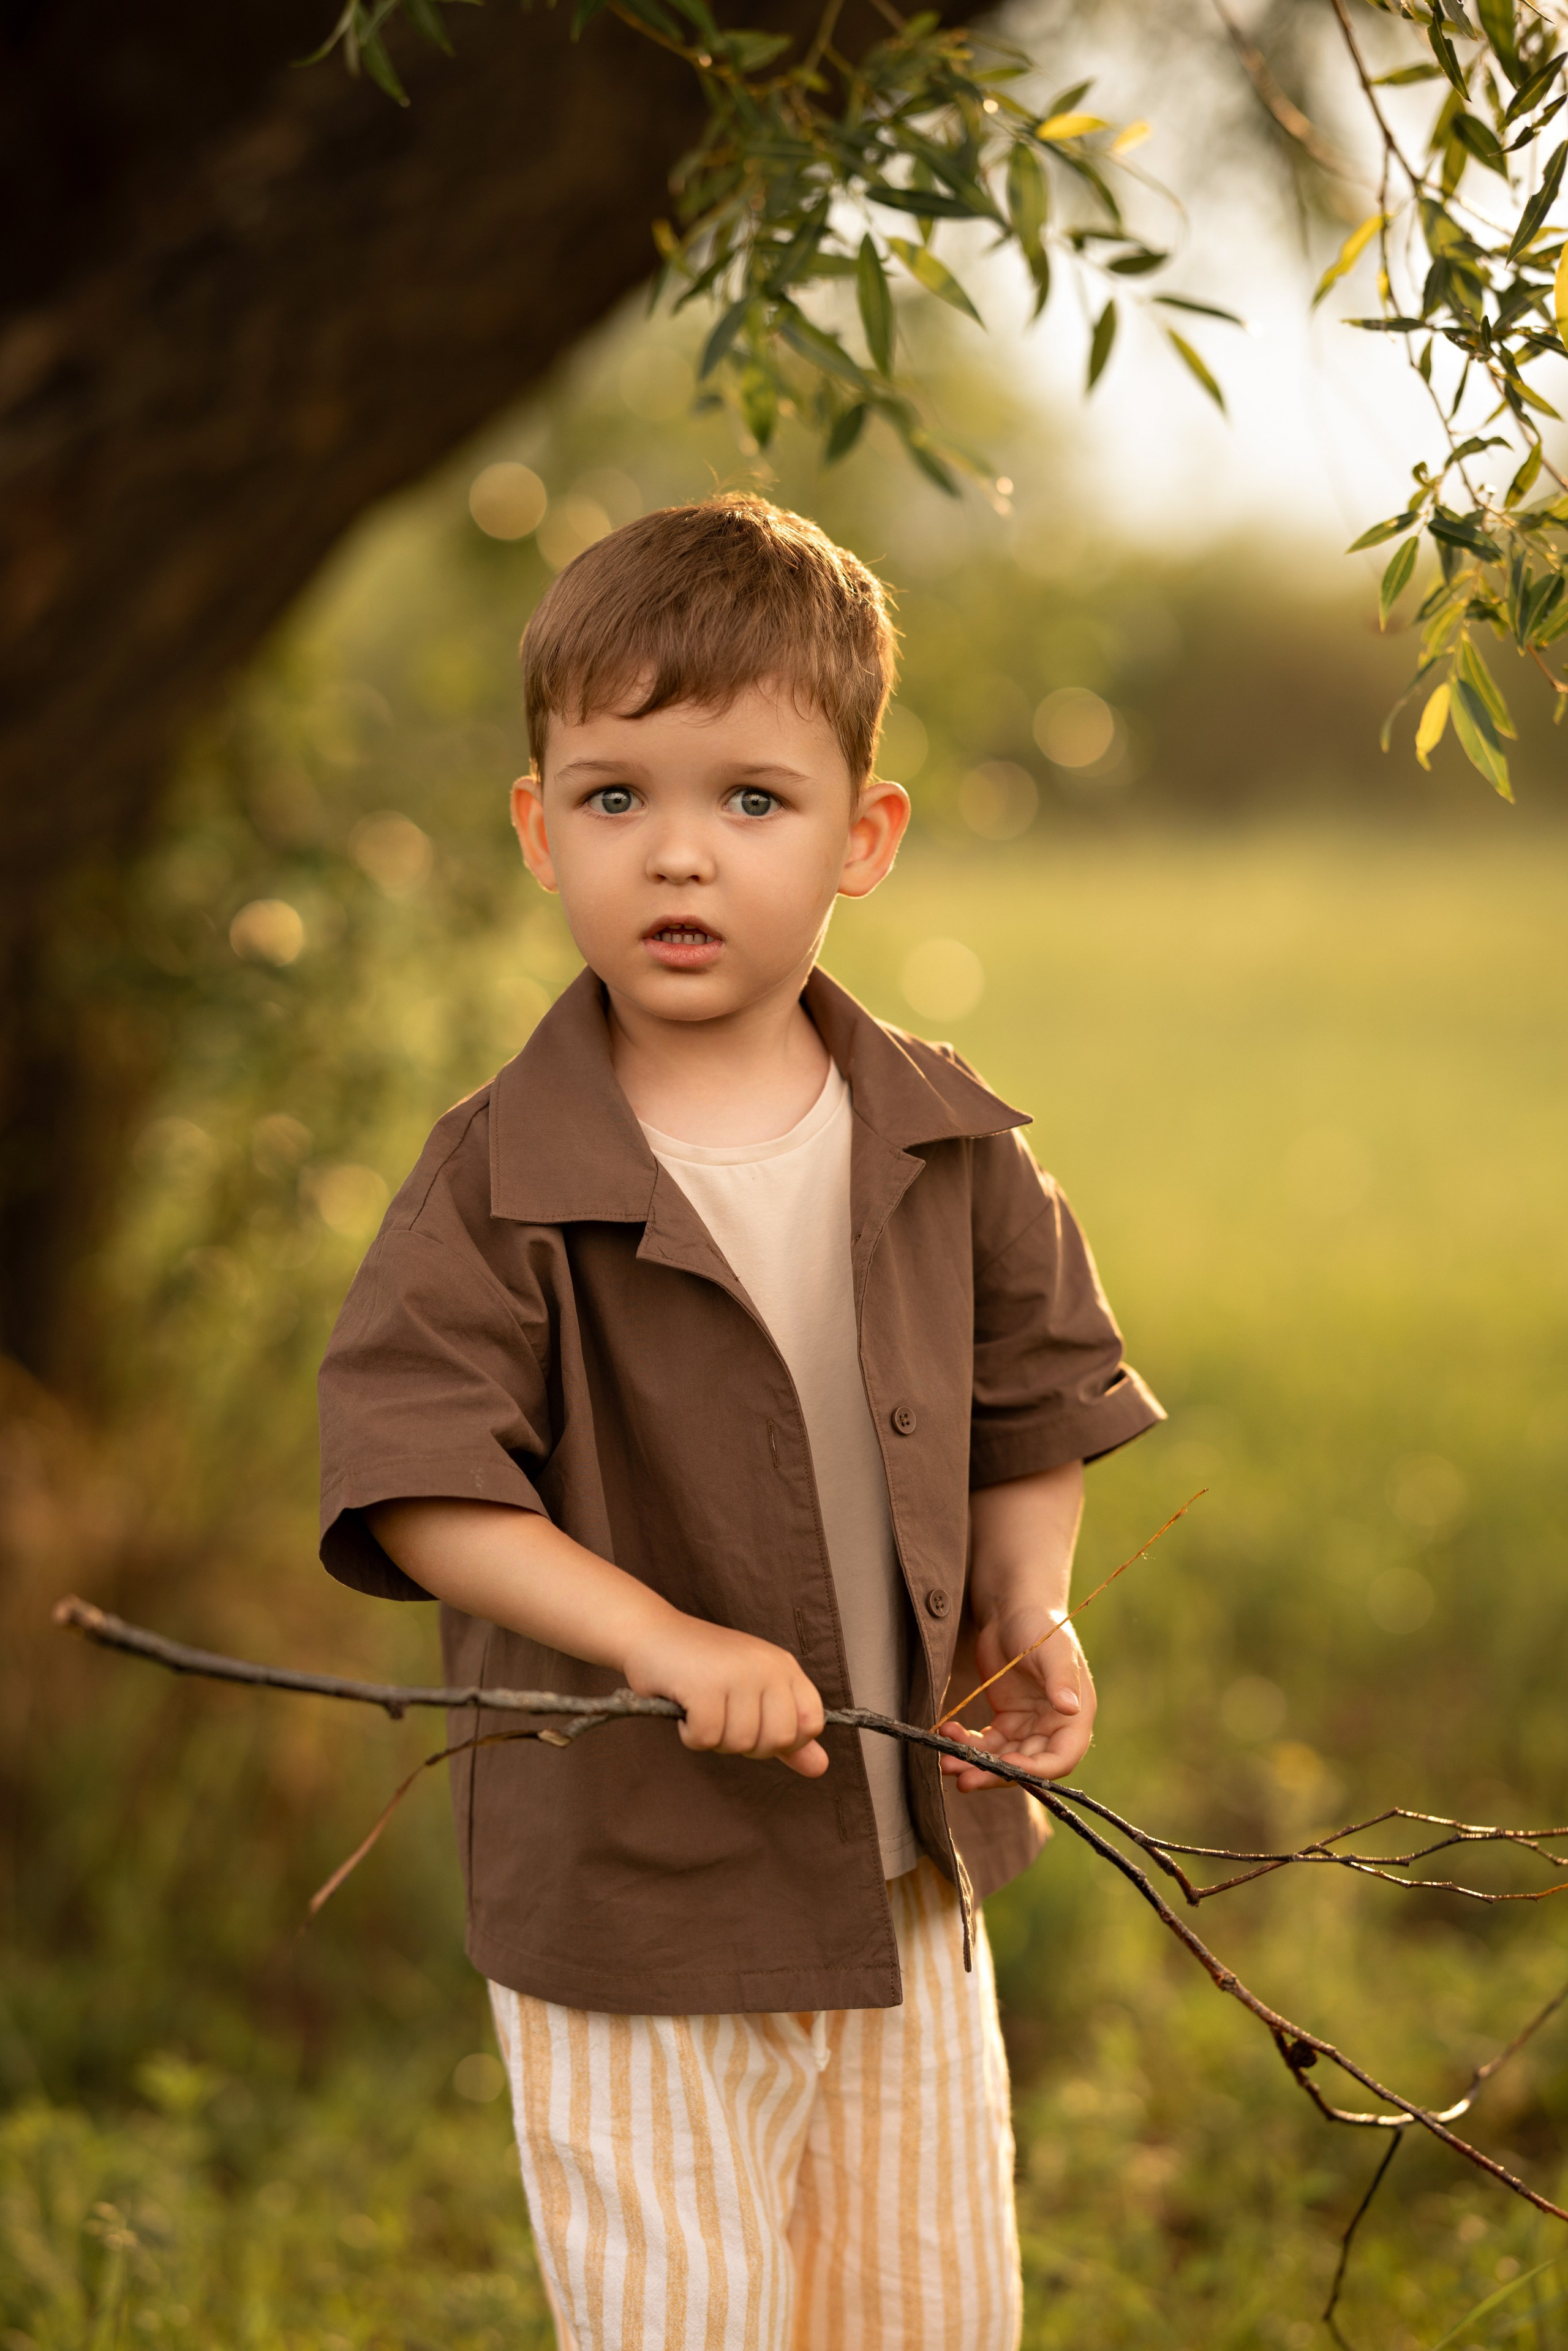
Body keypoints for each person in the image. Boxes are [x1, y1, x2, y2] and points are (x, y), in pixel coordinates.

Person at [317, 491, 1163, 2350]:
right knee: (682, 2318)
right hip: (638, 1900)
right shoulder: (499, 1177)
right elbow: (420, 1479)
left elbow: (1035, 1399)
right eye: (619, 798)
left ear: (863, 839)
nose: (679, 857)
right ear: (541, 829)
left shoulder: (945, 1137)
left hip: (902, 1876)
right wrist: (661, 1637)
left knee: (920, 2311)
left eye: (750, 802)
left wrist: (1033, 1608)